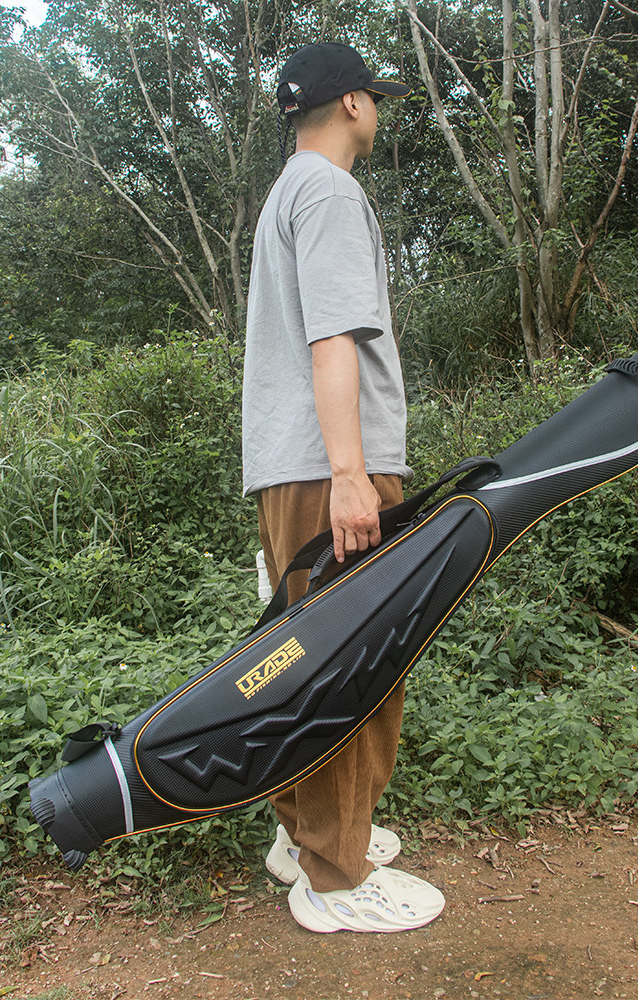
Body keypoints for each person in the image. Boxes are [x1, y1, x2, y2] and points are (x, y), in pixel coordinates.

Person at [242, 41, 445, 934]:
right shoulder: (328, 191)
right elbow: (334, 342)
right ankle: (335, 876)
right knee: (356, 662)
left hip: (292, 467)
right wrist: (352, 475)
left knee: (306, 659)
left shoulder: (289, 192)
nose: (380, 110)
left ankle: (306, 837)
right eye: (377, 97)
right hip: (331, 466)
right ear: (354, 104)